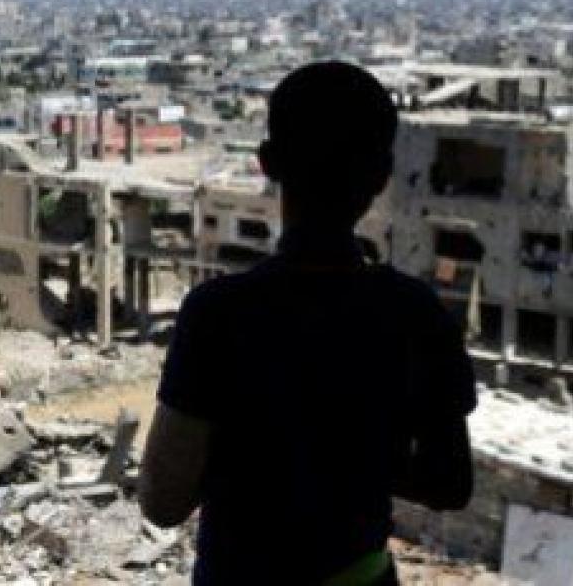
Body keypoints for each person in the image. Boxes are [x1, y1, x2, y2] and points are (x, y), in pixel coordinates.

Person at [139, 62, 476, 586]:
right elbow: (451, 484)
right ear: (382, 174)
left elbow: (162, 502)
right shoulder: (416, 314)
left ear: (268, 162)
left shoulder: (220, 314)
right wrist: (356, 457)